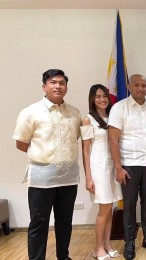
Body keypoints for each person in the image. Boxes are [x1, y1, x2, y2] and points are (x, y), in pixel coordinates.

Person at [12, 69, 81, 260]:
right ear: (44, 87)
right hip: (42, 179)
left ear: (66, 87)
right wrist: (43, 156)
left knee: (65, 222)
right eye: (53, 82)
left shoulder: (74, 112)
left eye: (61, 82)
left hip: (69, 178)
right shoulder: (30, 112)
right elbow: (21, 142)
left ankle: (63, 256)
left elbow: (73, 139)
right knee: (38, 224)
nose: (58, 86)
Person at [108, 74, 146, 259]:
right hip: (129, 165)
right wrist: (118, 167)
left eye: (144, 85)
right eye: (137, 85)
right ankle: (130, 241)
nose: (141, 89)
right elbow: (113, 139)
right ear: (129, 86)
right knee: (130, 205)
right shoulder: (119, 108)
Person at [81, 84, 122, 260]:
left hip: (112, 166)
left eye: (104, 96)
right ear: (92, 99)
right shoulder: (88, 119)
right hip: (98, 167)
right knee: (103, 209)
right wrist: (88, 177)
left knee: (110, 208)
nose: (102, 99)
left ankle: (107, 244)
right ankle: (98, 248)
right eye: (98, 96)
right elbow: (86, 150)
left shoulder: (113, 117)